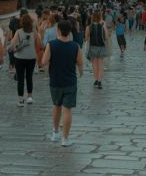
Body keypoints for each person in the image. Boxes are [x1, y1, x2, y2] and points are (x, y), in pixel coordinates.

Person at [41, 19, 84, 147]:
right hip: (70, 81)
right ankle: (65, 139)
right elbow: (80, 63)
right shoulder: (75, 46)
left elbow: (44, 61)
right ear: (70, 32)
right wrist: (81, 73)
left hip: (55, 81)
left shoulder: (51, 44)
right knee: (67, 110)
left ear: (58, 30)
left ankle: (55, 133)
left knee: (56, 106)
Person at [11, 13, 42, 106]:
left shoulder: (18, 32)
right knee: (29, 77)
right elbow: (39, 45)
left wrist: (17, 47)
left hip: (19, 58)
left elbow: (13, 44)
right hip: (31, 57)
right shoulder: (34, 32)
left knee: (20, 79)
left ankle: (20, 100)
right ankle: (30, 97)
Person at [86, 11, 109, 89]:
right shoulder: (102, 25)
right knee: (100, 65)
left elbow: (86, 38)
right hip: (101, 47)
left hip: (92, 47)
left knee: (94, 65)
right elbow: (106, 37)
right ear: (100, 18)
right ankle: (99, 81)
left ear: (92, 18)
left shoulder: (89, 27)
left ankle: (96, 79)